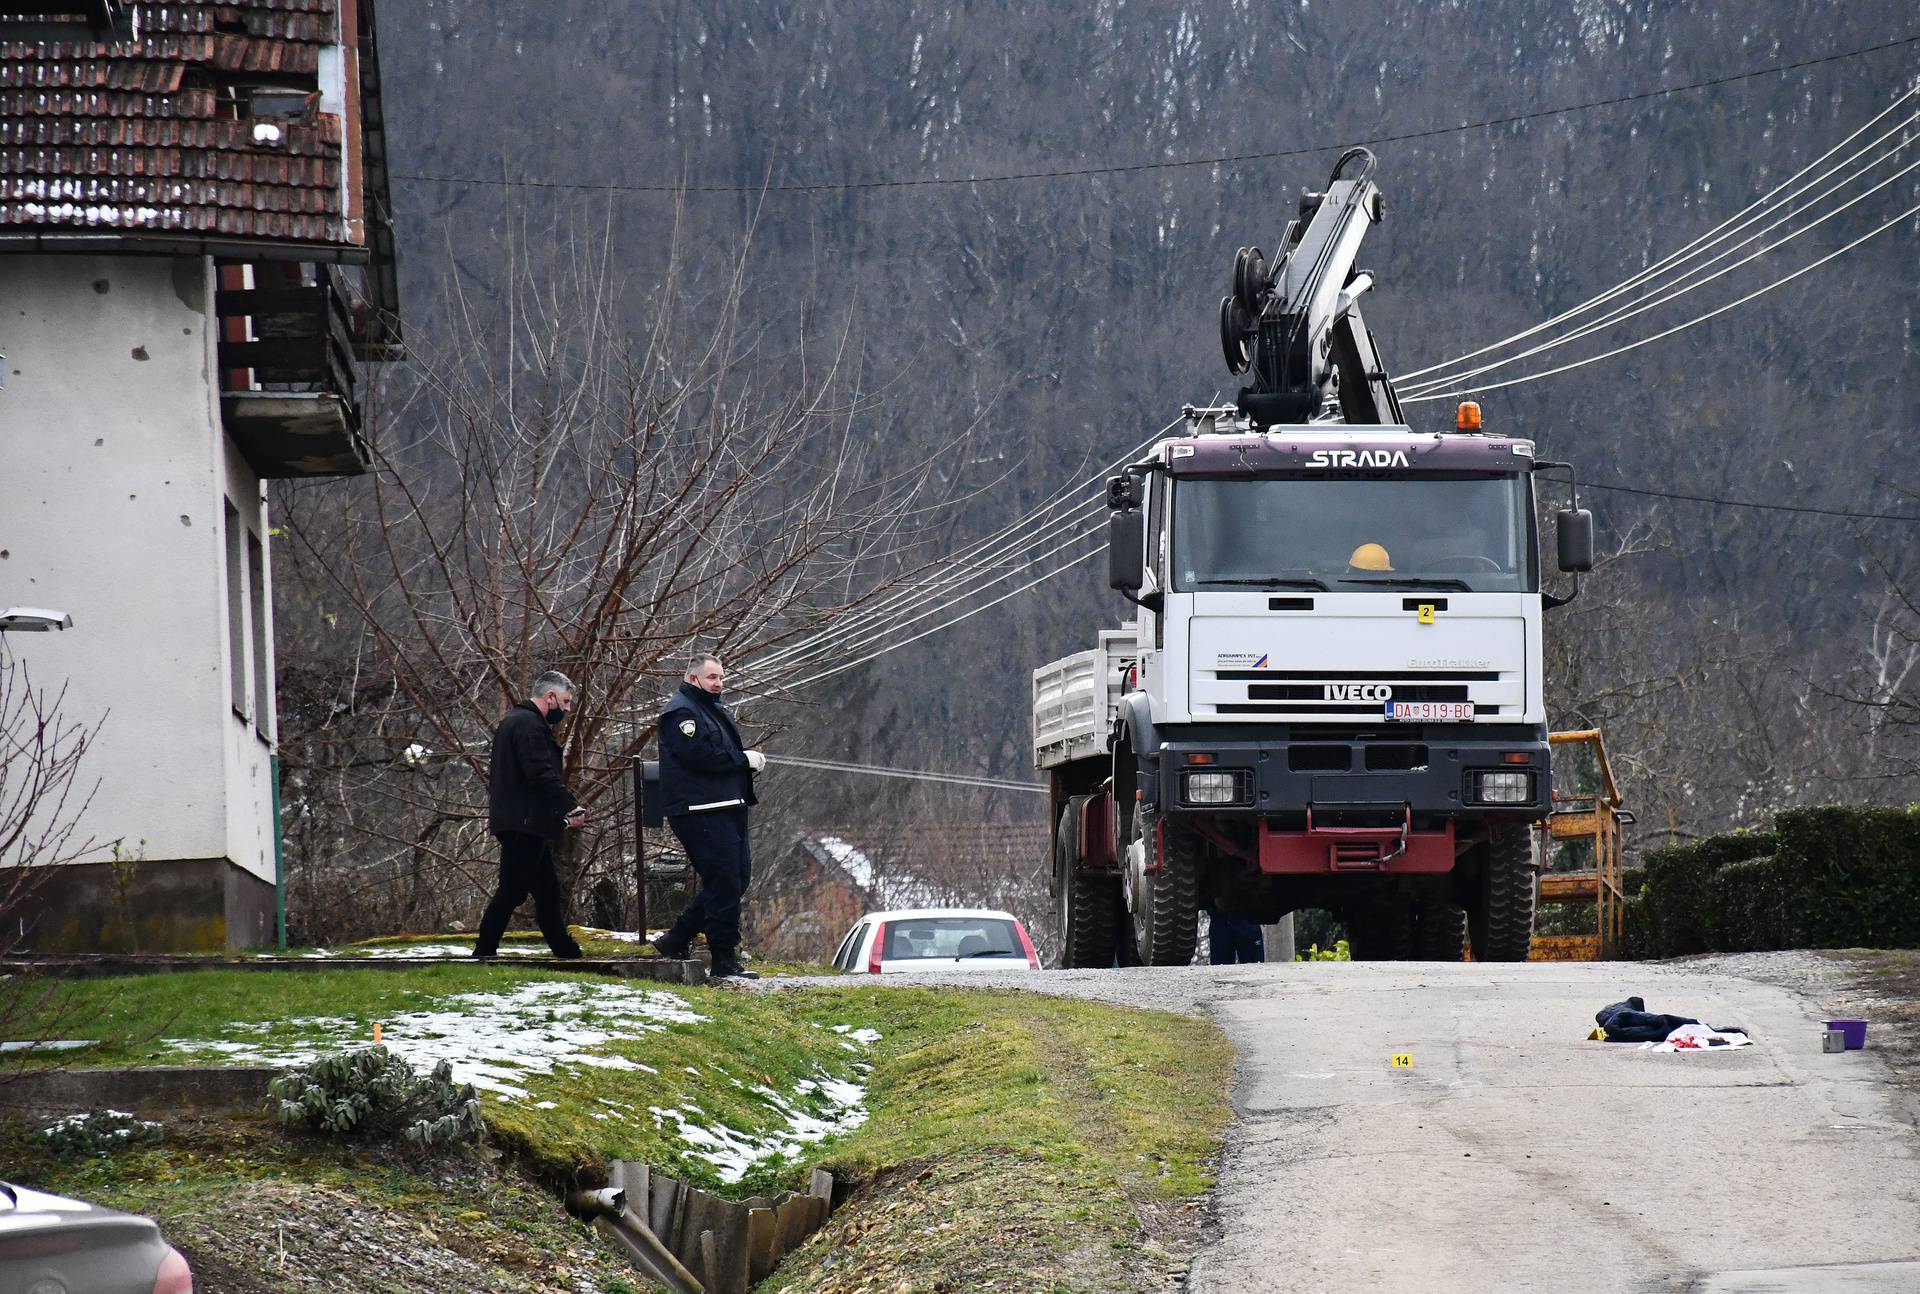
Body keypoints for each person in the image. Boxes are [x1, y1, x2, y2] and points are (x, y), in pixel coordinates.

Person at [649, 652, 765, 980]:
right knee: (725, 881)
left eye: (721, 678)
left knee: (735, 879)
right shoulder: (681, 713)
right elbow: (701, 756)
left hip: (726, 807)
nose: (719, 684)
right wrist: (743, 760)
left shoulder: (710, 710)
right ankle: (723, 959)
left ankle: (678, 938)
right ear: (693, 678)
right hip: (700, 811)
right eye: (712, 677)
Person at [474, 670, 587, 960]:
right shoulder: (529, 726)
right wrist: (568, 805)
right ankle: (484, 949)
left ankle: (565, 949)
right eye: (566, 701)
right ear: (550, 697)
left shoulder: (516, 722)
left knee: (547, 890)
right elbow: (540, 773)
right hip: (524, 822)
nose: (567, 709)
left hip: (521, 820)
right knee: (513, 890)